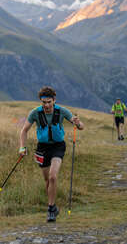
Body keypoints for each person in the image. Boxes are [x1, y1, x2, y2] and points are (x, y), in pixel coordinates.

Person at [19, 86, 84, 222]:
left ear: (54, 100)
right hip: (42, 148)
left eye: (49, 102)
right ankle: (53, 207)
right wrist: (22, 147)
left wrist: (78, 124)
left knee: (53, 176)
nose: (47, 105)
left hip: (58, 147)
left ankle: (50, 209)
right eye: (44, 102)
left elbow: (80, 125)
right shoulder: (35, 113)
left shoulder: (62, 111)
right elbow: (24, 131)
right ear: (40, 101)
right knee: (47, 180)